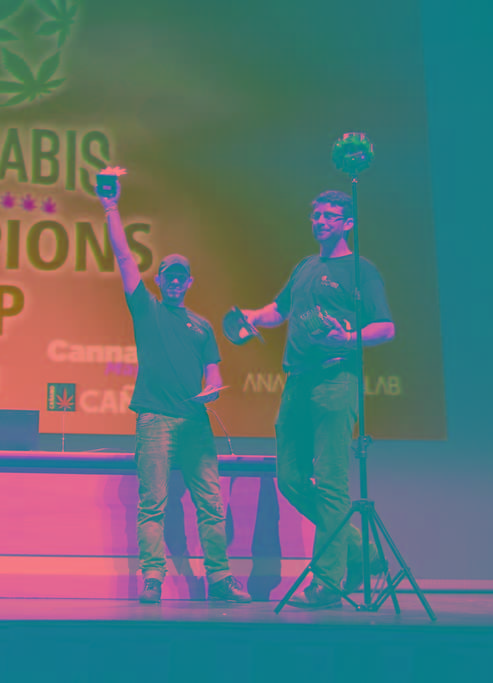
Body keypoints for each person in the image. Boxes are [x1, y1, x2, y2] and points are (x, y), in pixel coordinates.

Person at [236, 190, 393, 609]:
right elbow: (278, 310)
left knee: (331, 482)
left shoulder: (361, 270)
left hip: (336, 380)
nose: (321, 221)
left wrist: (348, 337)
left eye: (331, 216)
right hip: (298, 383)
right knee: (290, 478)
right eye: (317, 215)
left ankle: (327, 583)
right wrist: (253, 317)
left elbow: (385, 327)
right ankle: (365, 553)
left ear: (348, 224)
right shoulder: (305, 267)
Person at [100, 175, 250, 605]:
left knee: (211, 504)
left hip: (196, 423)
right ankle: (152, 578)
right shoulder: (146, 309)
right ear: (161, 279)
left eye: (181, 277)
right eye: (169, 276)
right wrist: (111, 207)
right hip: (155, 420)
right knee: (153, 503)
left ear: (189, 282)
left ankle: (219, 579)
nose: (175, 282)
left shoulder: (202, 327)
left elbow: (214, 375)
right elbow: (124, 258)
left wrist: (212, 390)